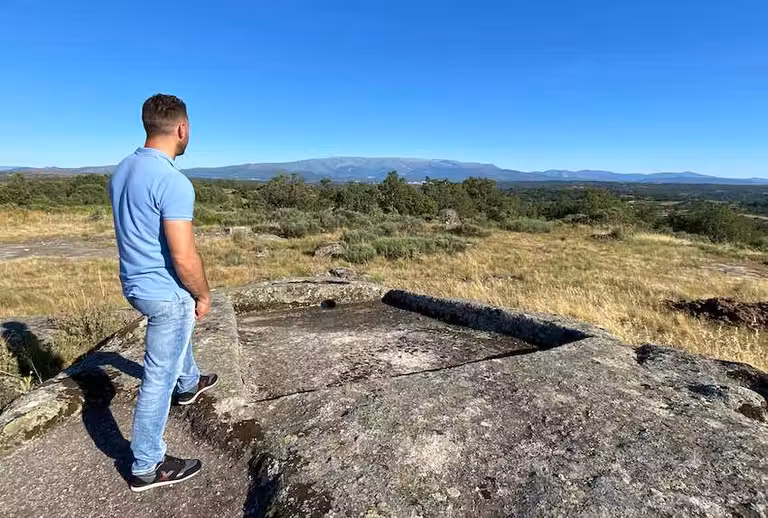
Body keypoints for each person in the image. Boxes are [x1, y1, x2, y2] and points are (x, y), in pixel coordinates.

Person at [108, 94, 218, 492]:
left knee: (173, 342)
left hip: (134, 284)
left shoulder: (122, 170)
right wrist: (203, 295)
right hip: (163, 292)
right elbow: (184, 256)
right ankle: (147, 465)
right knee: (158, 377)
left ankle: (189, 382)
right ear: (182, 129)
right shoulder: (173, 181)